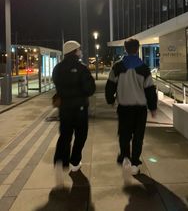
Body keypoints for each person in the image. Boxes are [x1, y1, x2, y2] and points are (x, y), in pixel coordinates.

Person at [105, 38, 157, 175]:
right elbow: (150, 89)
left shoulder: (117, 67)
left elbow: (110, 85)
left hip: (124, 108)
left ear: (125, 49)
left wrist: (110, 100)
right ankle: (135, 163)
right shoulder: (144, 68)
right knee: (138, 136)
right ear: (137, 49)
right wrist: (153, 107)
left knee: (124, 135)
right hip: (140, 109)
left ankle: (125, 158)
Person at [52, 40, 96, 186]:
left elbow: (56, 84)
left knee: (65, 135)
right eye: (79, 49)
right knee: (81, 135)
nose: (81, 51)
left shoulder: (57, 68)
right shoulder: (82, 68)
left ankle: (60, 161)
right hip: (80, 109)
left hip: (64, 108)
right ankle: (75, 162)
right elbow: (90, 89)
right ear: (74, 51)